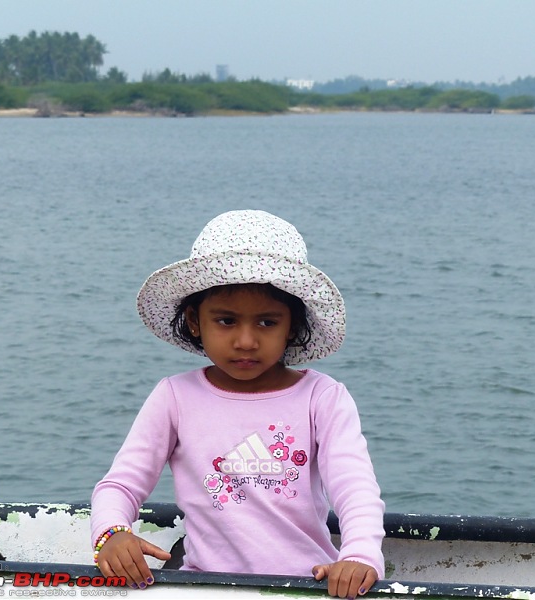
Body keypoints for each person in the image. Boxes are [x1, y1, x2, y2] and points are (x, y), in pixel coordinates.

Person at [90, 210, 385, 598]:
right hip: (205, 585)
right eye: (226, 321)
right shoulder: (175, 397)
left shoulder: (322, 398)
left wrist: (361, 555)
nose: (246, 341)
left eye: (266, 323)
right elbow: (121, 484)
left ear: (292, 326)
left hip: (309, 586)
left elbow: (355, 488)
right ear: (196, 321)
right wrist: (111, 534)